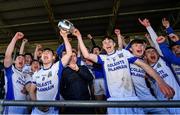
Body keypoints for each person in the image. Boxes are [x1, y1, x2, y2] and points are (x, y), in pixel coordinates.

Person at [74, 28, 174, 114]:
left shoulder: (124, 53)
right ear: (103, 47)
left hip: (131, 98)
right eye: (105, 42)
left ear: (114, 44)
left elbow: (144, 65)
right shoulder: (103, 58)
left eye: (109, 41)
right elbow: (87, 55)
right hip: (114, 100)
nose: (107, 43)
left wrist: (160, 81)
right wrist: (79, 37)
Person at [29, 30, 72, 115]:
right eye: (44, 53)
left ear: (53, 57)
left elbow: (69, 53)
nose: (45, 54)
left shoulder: (57, 67)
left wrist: (64, 37)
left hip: (53, 110)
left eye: (48, 53)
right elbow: (31, 91)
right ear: (40, 58)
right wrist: (37, 105)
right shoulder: (36, 73)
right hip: (37, 111)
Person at [3, 32, 30, 114]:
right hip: (11, 106)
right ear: (14, 61)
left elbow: (29, 87)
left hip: (24, 106)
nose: (21, 60)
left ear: (25, 63)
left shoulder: (26, 75)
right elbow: (8, 54)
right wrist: (15, 38)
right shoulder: (10, 70)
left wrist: (27, 89)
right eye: (19, 58)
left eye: (23, 59)